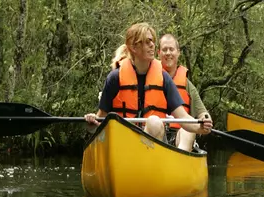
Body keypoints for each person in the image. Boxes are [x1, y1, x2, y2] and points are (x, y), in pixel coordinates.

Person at [84, 23, 212, 152]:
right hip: (123, 145)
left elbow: (183, 117)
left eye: (152, 41)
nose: (152, 45)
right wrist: (92, 122)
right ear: (134, 47)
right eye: (147, 42)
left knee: (154, 122)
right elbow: (99, 121)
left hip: (153, 148)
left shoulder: (164, 78)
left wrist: (200, 127)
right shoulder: (115, 78)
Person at [158, 33, 213, 149]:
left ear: (178, 52)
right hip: (157, 133)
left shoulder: (188, 86)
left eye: (171, 49)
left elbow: (203, 113)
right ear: (159, 53)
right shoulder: (149, 79)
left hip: (179, 134)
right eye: (164, 50)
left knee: (188, 130)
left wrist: (205, 119)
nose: (168, 53)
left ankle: (179, 162)